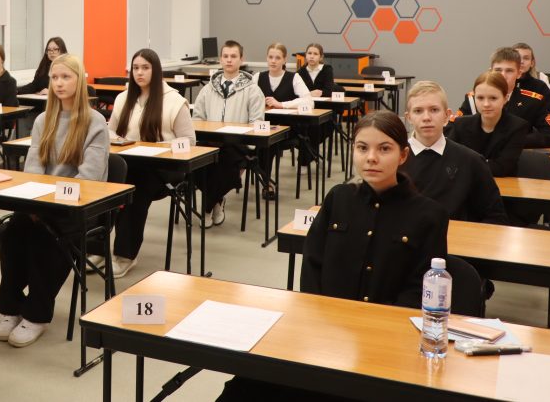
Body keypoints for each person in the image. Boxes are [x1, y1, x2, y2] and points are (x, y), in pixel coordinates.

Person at [216, 111, 448, 401]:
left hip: (385, 345)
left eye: (384, 149)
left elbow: (420, 289)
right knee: (245, 383)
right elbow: (313, 266)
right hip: (324, 337)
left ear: (402, 155)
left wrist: (378, 330)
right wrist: (321, 327)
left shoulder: (428, 215)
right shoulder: (338, 198)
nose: (371, 158)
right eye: (362, 148)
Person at [0, 54, 109, 347]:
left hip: (77, 208)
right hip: (41, 204)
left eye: (65, 77)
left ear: (79, 81)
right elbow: (33, 167)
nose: (58, 83)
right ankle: (11, 307)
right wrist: (36, 203)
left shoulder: (95, 122)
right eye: (54, 78)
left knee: (45, 239)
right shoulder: (43, 119)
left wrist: (49, 205)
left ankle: (37, 314)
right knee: (11, 232)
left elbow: (89, 178)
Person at [109, 48, 195, 279]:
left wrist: (160, 149)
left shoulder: (174, 101)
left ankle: (125, 254)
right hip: (130, 163)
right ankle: (97, 247)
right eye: (135, 68)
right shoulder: (123, 98)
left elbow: (189, 142)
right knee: (107, 181)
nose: (139, 73)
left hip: (165, 169)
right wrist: (119, 141)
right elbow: (109, 132)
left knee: (134, 183)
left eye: (145, 68)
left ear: (156, 70)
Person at [404, 81, 507, 224]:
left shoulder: (471, 161)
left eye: (434, 110)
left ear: (447, 115)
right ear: (408, 117)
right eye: (418, 111)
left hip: (456, 236)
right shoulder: (394, 160)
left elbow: (495, 216)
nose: (426, 117)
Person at [191, 40, 265, 227]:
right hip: (210, 143)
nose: (229, 60)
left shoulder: (253, 90)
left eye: (233, 56)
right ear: (220, 59)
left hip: (238, 145)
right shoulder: (208, 89)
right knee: (199, 164)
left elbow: (257, 123)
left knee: (224, 164)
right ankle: (217, 201)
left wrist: (246, 142)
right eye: (225, 56)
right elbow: (197, 118)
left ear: (241, 59)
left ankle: (207, 209)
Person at [455, 47, 550, 148]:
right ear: (490, 72)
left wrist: (514, 140)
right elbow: (453, 129)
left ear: (519, 73)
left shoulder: (533, 101)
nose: (503, 75)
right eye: (498, 70)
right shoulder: (473, 99)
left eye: (509, 71)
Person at [256, 42, 314, 196]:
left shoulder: (294, 77)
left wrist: (281, 104)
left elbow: (309, 101)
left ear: (284, 60)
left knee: (268, 144)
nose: (273, 61)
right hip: (263, 127)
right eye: (270, 57)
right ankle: (260, 178)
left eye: (277, 58)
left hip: (288, 129)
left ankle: (267, 184)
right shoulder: (258, 77)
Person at [445, 72, 527, 178]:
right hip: (466, 183)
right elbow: (449, 160)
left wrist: (466, 163)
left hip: (501, 185)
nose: (486, 104)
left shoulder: (517, 127)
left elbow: (502, 168)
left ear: (505, 99)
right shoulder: (461, 124)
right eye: (480, 98)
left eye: (493, 98)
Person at [514, 41, 550, 107]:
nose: (521, 61)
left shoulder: (540, 77)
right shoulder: (503, 78)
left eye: (526, 58)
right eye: (517, 58)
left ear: (532, 63)